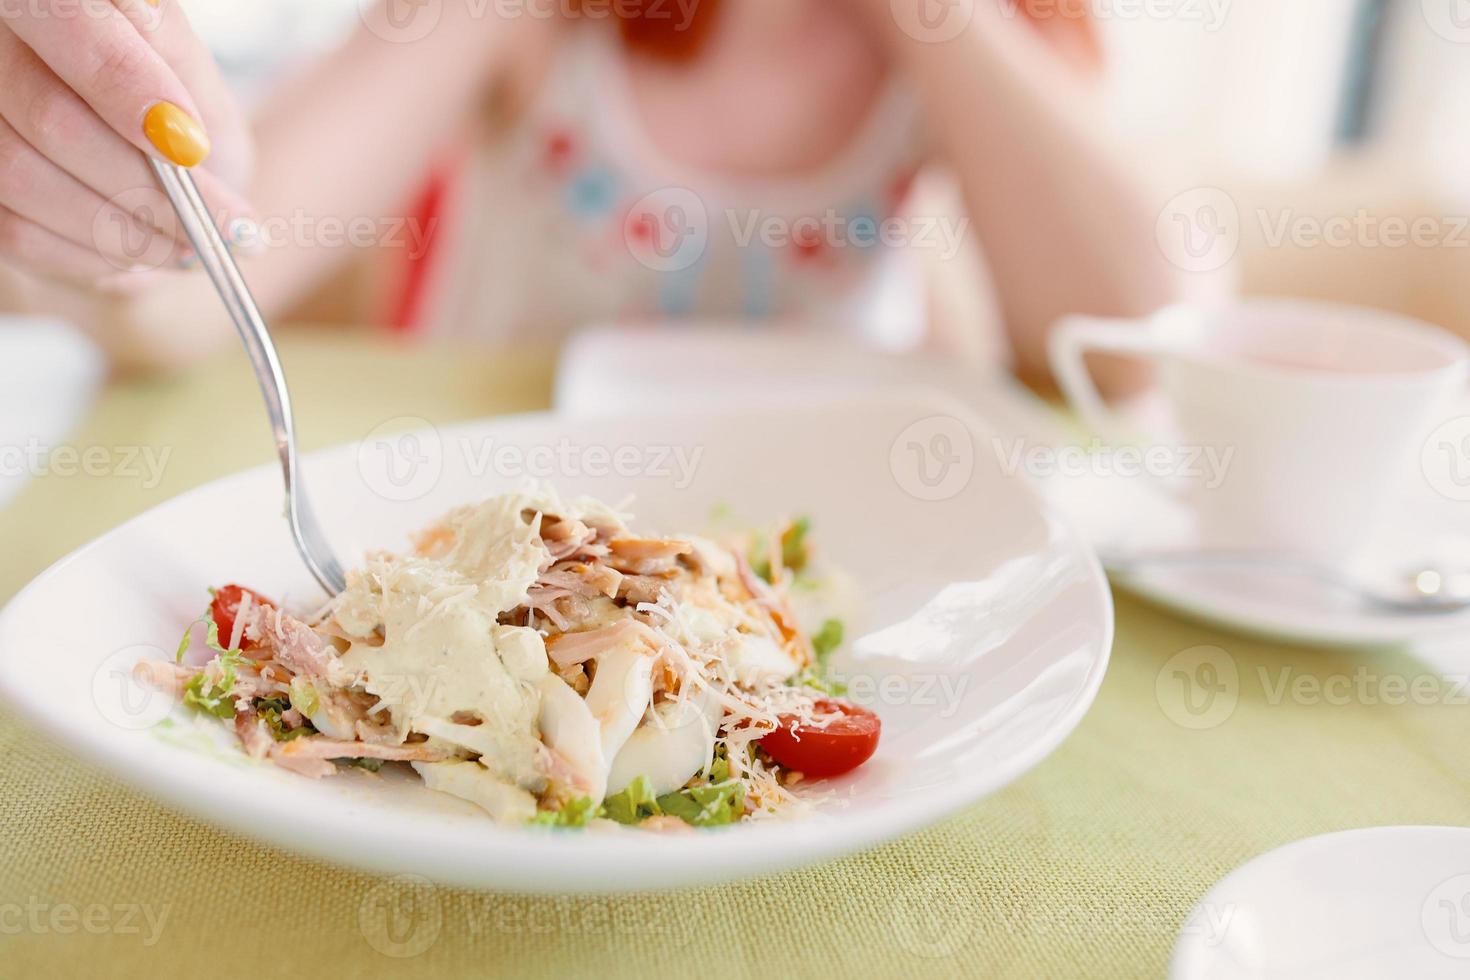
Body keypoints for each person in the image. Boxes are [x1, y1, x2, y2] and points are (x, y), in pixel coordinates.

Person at [0, 0, 1184, 386]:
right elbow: (202, 283)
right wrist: (91, 217)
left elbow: (1129, 347)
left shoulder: (934, 56)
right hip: (484, 570)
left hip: (802, 598)